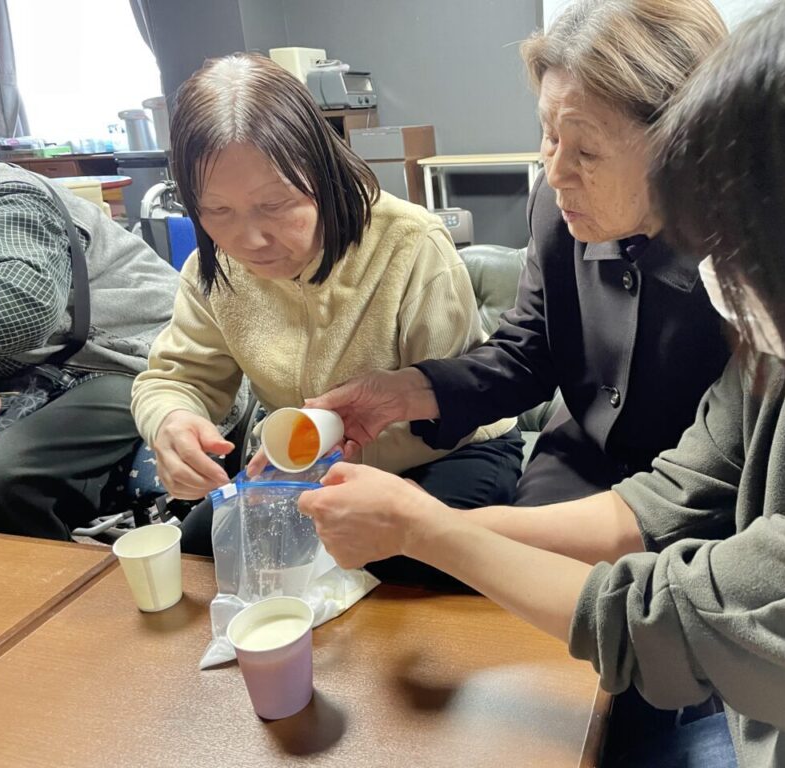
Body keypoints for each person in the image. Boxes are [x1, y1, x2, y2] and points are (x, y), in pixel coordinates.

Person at [295, 0, 785, 764]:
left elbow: (666, 623)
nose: (717, 263)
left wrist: (427, 530)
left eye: (737, 235)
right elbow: (663, 498)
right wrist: (426, 519)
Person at [306, 0, 732, 507]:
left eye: (586, 151)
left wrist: (435, 528)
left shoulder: (752, 257)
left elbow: (731, 459)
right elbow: (530, 351)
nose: (555, 173)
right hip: (583, 459)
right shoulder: (556, 209)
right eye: (548, 135)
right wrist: (405, 393)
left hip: (704, 485)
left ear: (683, 148)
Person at [131, 53, 521, 558]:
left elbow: (452, 404)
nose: (249, 239)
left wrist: (326, 467)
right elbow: (176, 377)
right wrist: (171, 421)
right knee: (203, 547)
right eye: (217, 210)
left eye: (274, 205)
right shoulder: (215, 270)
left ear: (322, 173)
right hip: (306, 465)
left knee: (407, 560)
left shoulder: (408, 243)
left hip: (447, 451)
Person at [0, 161, 179, 539]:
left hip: (131, 358)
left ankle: (49, 573)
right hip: (45, 366)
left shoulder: (11, 197)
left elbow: (22, 307)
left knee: (0, 474)